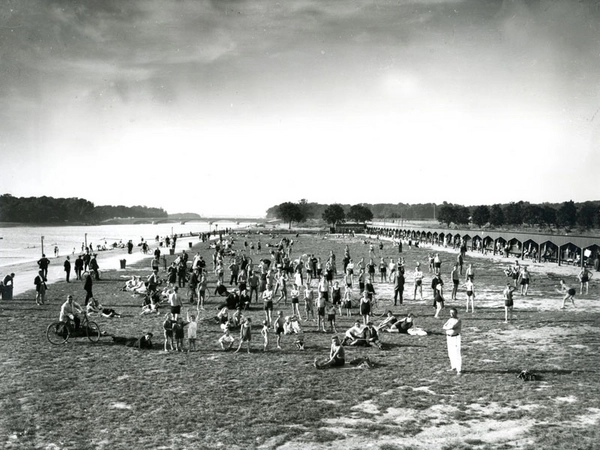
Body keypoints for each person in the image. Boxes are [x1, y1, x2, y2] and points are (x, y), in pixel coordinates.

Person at [442, 308, 462, 375]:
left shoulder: (458, 320)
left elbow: (452, 326)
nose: (452, 314)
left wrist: (449, 327)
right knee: (450, 353)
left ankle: (459, 370)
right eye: (451, 312)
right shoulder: (450, 319)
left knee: (456, 353)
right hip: (448, 337)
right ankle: (453, 366)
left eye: (453, 312)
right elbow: (444, 326)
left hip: (455, 337)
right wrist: (448, 327)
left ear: (456, 313)